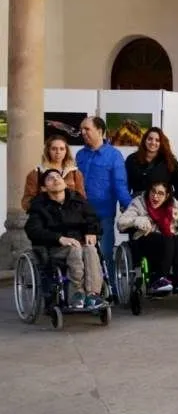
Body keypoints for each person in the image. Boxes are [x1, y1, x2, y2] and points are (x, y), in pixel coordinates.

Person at [24, 169, 105, 310]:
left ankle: (92, 294)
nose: (55, 179)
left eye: (58, 176)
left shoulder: (78, 200)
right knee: (75, 249)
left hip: (80, 243)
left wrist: (92, 231)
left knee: (91, 249)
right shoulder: (39, 206)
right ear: (44, 187)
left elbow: (93, 219)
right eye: (50, 178)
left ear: (64, 182)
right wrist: (59, 238)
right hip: (54, 248)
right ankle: (77, 293)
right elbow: (33, 230)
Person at [77, 116, 132, 286]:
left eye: (87, 129)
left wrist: (130, 207)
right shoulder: (80, 155)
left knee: (106, 252)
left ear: (100, 131)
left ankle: (111, 289)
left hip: (103, 215)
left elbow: (120, 185)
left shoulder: (114, 156)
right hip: (79, 215)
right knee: (81, 254)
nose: (83, 132)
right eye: (82, 129)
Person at [116, 180, 178, 293]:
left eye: (160, 193)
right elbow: (121, 222)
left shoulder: (174, 204)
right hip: (146, 241)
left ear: (167, 195)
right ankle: (159, 278)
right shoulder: (139, 203)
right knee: (168, 238)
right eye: (153, 192)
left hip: (170, 244)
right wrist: (137, 220)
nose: (155, 196)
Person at [21, 135, 86, 211]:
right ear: (48, 150)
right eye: (54, 149)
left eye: (62, 149)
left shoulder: (74, 172)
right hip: (46, 217)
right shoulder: (36, 173)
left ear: (66, 151)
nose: (58, 152)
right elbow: (26, 202)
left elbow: (82, 198)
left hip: (70, 217)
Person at [125, 127, 178, 203]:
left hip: (161, 207)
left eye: (157, 140)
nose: (153, 142)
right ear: (145, 140)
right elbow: (124, 185)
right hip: (138, 206)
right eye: (150, 139)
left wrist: (172, 204)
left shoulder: (169, 161)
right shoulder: (132, 159)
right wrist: (126, 203)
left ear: (162, 143)